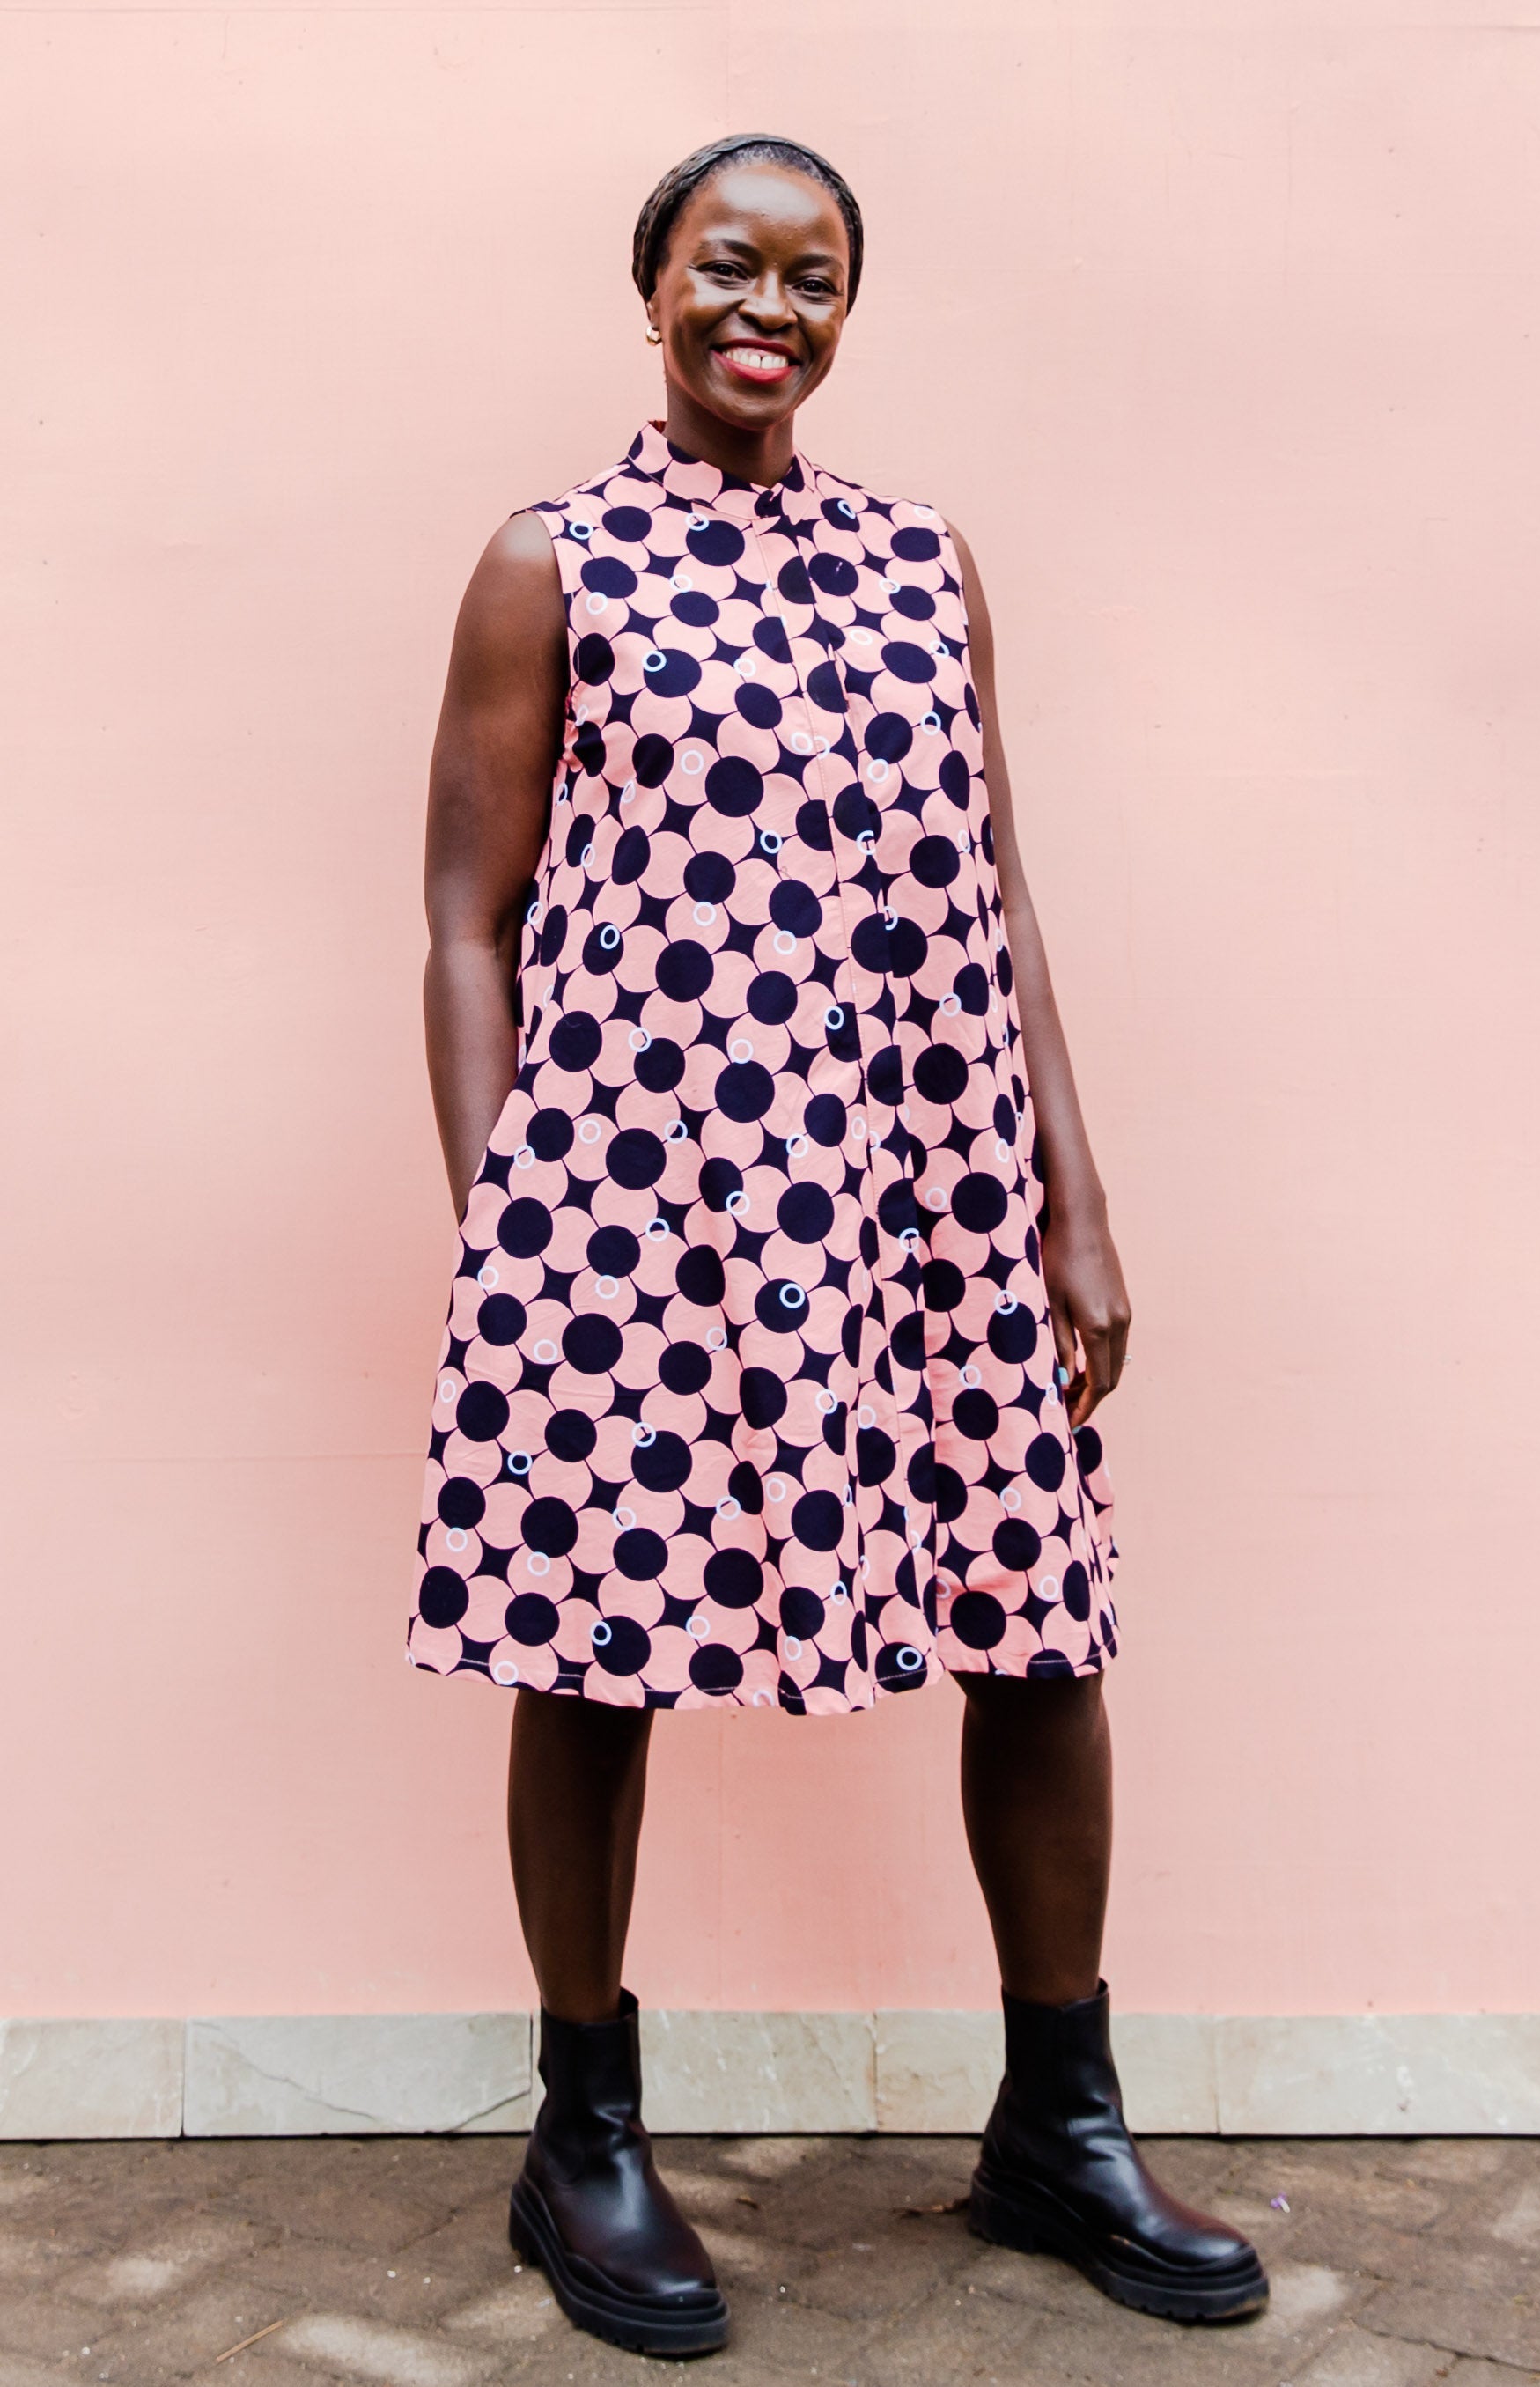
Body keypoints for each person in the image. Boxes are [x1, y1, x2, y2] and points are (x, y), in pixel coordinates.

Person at [410, 132, 1267, 2359]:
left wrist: (1074, 1195)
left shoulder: (919, 561)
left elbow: (996, 889)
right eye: (727, 265)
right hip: (639, 1194)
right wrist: (508, 1219)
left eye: (809, 277)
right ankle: (581, 2139)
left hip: (928, 1184)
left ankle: (1058, 2124)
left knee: (1037, 1620)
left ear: (842, 313)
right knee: (589, 1636)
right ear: (653, 287)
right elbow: (464, 920)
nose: (764, 309)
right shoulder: (550, 562)